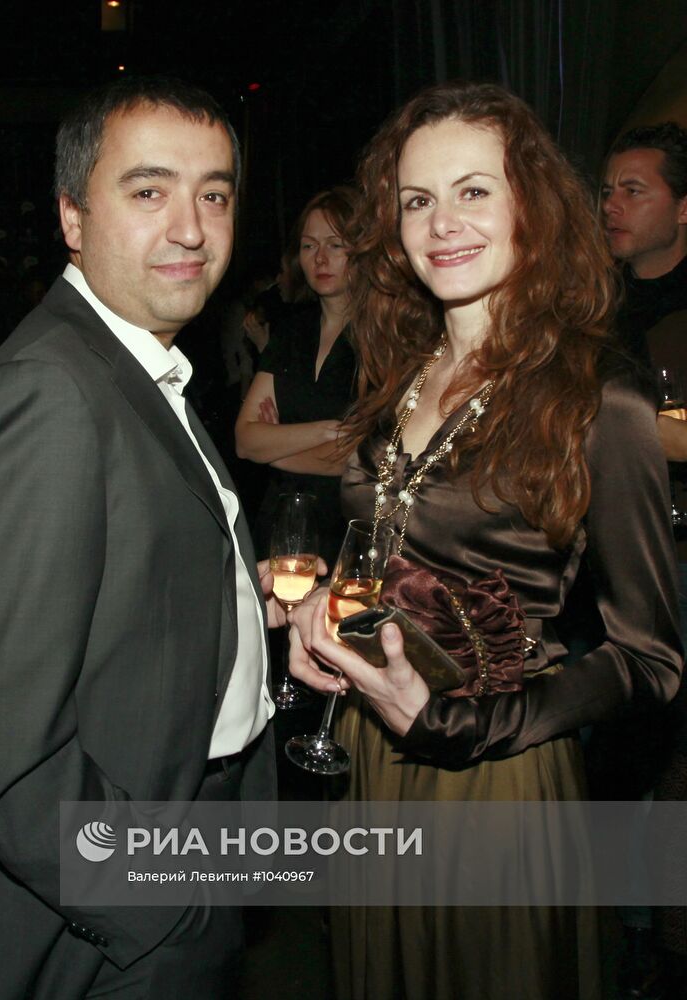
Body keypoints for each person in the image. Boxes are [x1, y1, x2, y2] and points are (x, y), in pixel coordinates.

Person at [288, 82, 683, 1000]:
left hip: (492, 769)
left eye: (474, 190)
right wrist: (327, 614)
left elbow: (652, 659)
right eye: (417, 200)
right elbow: (394, 547)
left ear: (531, 206)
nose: (442, 224)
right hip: (372, 748)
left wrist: (469, 723)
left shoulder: (599, 397)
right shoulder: (404, 372)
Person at [0, 76, 282, 1000]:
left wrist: (259, 619)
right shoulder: (48, 393)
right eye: (149, 190)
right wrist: (159, 903)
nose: (192, 228)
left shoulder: (135, 361)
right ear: (72, 217)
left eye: (214, 194)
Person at [602, 121, 687, 998]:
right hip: (602, 559)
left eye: (635, 189)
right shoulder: (596, 303)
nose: (613, 204)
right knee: (623, 753)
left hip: (679, 555)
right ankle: (631, 935)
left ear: (684, 208)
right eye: (608, 190)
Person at [235, 187, 358, 566]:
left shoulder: (386, 338)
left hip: (347, 529)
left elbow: (359, 461)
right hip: (280, 522)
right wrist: (327, 430)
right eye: (308, 246)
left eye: (335, 244)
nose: (320, 258)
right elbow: (245, 441)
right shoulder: (291, 331)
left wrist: (276, 449)